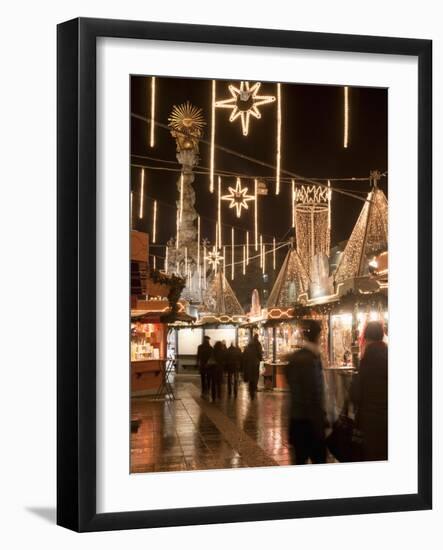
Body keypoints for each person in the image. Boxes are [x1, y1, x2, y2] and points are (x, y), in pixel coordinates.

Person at [285, 320, 327, 465]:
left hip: (297, 421)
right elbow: (313, 393)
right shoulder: (310, 359)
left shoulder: (298, 357)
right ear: (318, 336)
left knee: (300, 460)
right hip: (309, 424)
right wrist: (321, 420)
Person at [351, 321, 388, 461]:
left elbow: (356, 394)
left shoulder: (367, 359)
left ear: (367, 338)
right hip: (388, 416)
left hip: (371, 419)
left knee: (372, 456)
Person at [242, 334, 263, 400]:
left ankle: (251, 391)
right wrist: (260, 359)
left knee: (250, 377)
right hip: (256, 363)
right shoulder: (258, 344)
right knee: (255, 376)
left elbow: (244, 356)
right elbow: (260, 354)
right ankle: (254, 389)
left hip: (249, 364)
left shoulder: (248, 346)